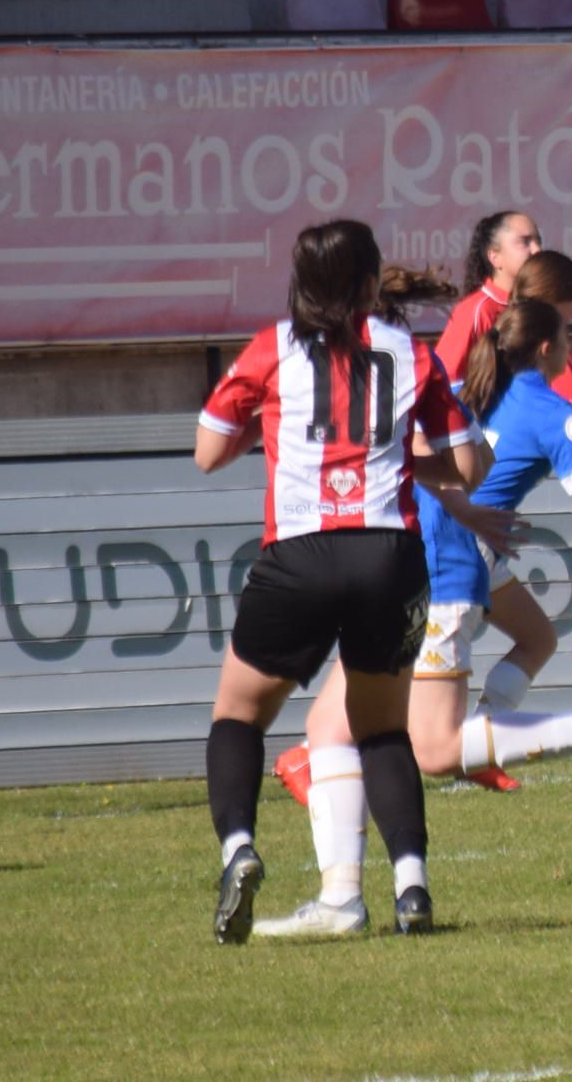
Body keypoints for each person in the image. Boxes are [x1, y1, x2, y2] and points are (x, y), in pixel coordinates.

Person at [255, 296, 572, 939]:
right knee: (342, 728)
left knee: (415, 743)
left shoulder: (459, 385)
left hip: (428, 567)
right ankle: (342, 898)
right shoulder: (541, 407)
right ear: (545, 347)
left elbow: (425, 466)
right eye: (567, 336)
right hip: (422, 566)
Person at [192, 218, 483, 945]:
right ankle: (410, 886)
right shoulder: (410, 354)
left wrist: (270, 433)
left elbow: (207, 453)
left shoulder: (271, 351)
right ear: (367, 282)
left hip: (300, 556)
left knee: (237, 716)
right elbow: (470, 466)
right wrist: (411, 463)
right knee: (383, 729)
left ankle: (240, 849)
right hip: (390, 553)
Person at [437, 210, 541, 386]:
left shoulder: (538, 306)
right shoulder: (475, 311)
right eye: (525, 242)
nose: (537, 250)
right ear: (495, 257)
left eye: (539, 241)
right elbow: (444, 379)